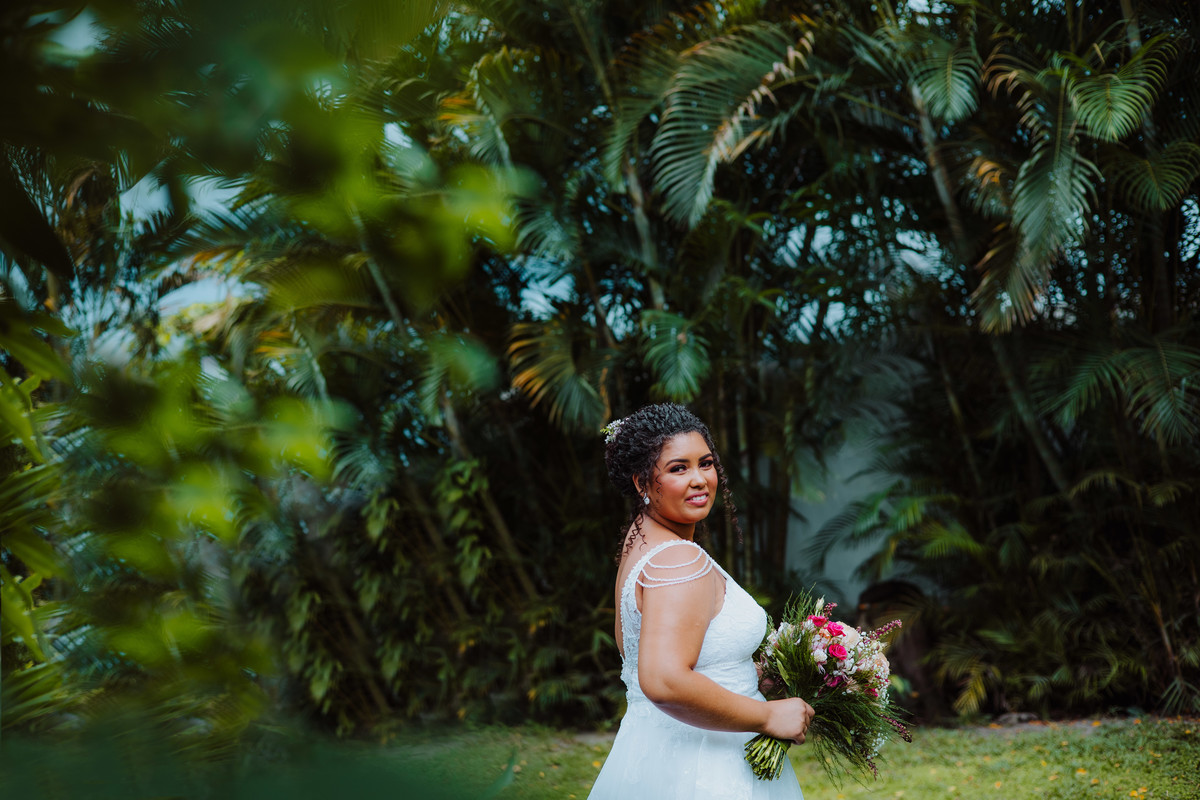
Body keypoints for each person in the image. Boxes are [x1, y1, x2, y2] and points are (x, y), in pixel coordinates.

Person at [588, 403, 812, 799]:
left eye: (705, 463)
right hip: (705, 766)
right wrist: (768, 714)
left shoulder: (642, 539)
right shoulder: (678, 560)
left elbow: (680, 651)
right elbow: (663, 679)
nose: (699, 480)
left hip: (653, 753)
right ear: (642, 483)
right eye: (678, 468)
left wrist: (753, 676)